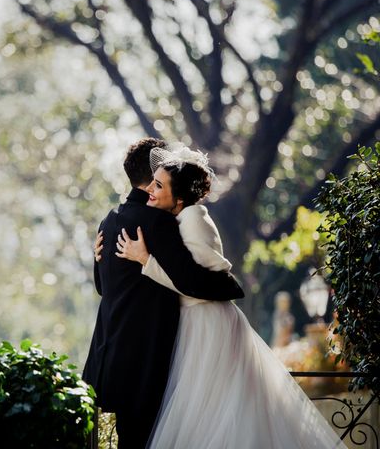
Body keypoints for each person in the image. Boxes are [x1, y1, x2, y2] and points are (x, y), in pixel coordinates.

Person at [113, 144, 347, 449]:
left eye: (159, 185)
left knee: (215, 410)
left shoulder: (194, 218)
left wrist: (146, 260)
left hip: (207, 322)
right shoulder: (179, 218)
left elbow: (197, 281)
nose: (151, 191)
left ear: (180, 197)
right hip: (195, 320)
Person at [82, 138, 245, 449]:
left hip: (106, 352)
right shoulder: (157, 222)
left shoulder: (109, 219)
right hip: (144, 357)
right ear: (153, 175)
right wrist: (230, 286)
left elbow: (103, 286)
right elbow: (191, 278)